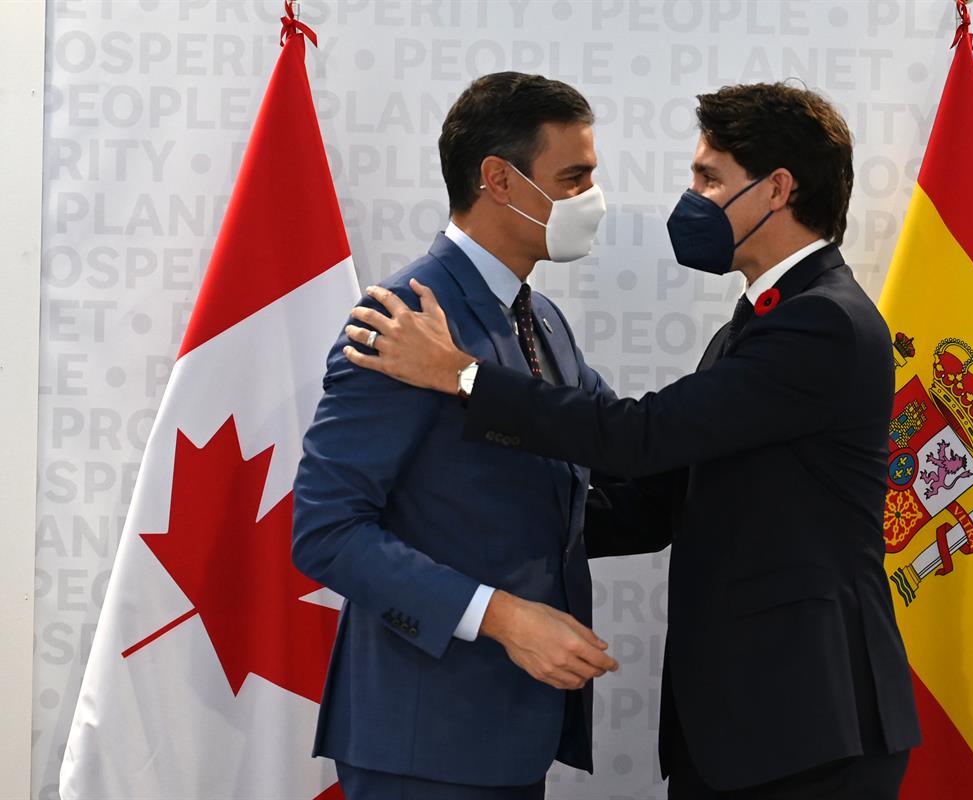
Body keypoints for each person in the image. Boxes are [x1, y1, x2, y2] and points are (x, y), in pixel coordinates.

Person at [343, 82, 923, 799]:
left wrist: (461, 376)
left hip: (808, 725)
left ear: (776, 190)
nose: (692, 199)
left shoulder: (820, 325)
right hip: (752, 727)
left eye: (709, 179)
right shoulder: (754, 326)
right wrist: (471, 561)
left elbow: (640, 438)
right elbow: (658, 502)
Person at [291, 72, 620, 800]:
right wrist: (502, 618)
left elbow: (617, 447)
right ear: (499, 180)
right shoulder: (399, 321)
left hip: (510, 733)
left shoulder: (546, 324)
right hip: (423, 742)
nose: (591, 200)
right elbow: (325, 532)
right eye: (574, 178)